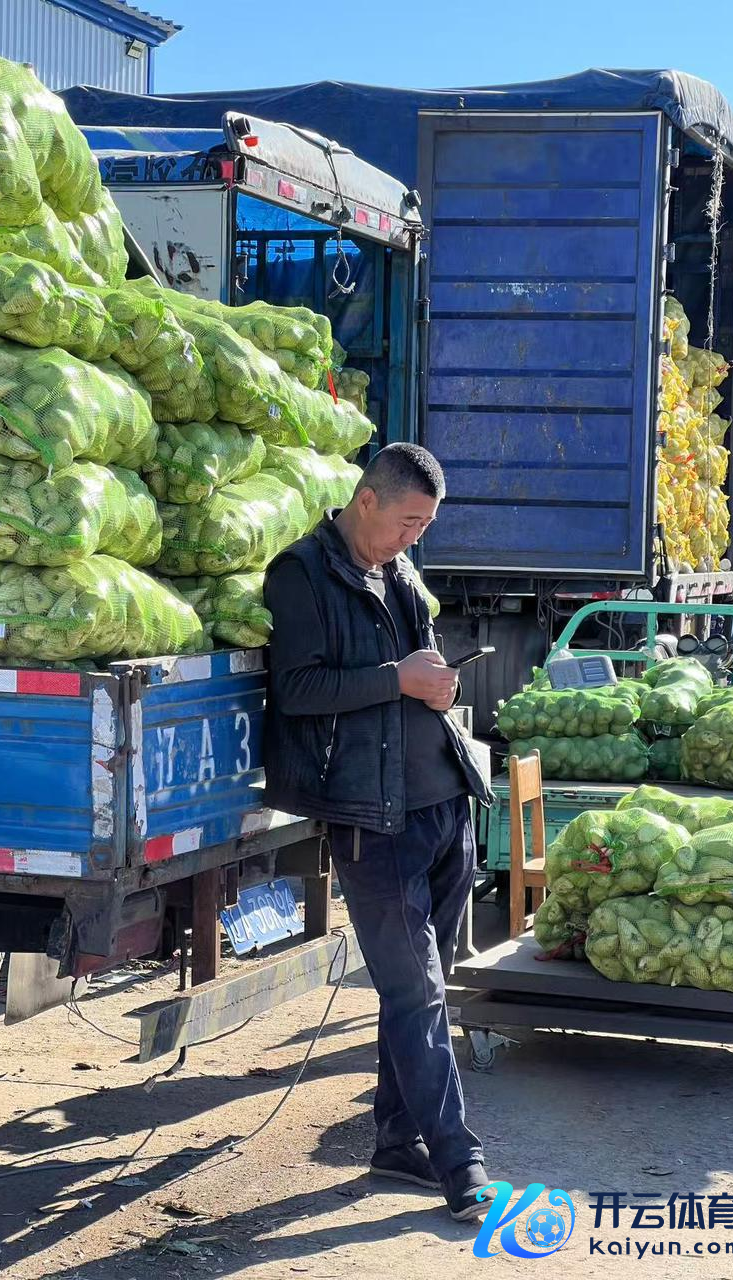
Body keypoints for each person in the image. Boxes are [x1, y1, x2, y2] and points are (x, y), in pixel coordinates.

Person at [263, 442, 495, 1222]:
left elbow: (413, 671)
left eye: (424, 526)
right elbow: (297, 689)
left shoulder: (396, 573)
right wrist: (399, 679)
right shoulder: (301, 574)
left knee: (420, 992)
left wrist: (434, 686)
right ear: (366, 500)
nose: (413, 537)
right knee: (414, 991)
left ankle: (398, 1143)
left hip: (443, 806)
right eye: (407, 521)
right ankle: (460, 1164)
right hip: (374, 819)